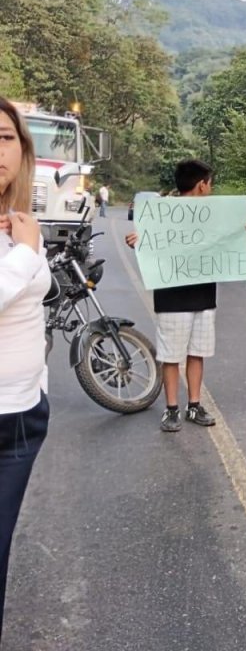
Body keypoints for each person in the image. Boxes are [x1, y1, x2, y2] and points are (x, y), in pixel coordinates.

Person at [0, 97, 50, 642]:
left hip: (21, 419)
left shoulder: (18, 224)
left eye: (5, 137)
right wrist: (26, 252)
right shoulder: (24, 238)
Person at [126, 159, 220, 432]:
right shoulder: (161, 213)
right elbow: (150, 244)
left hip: (204, 294)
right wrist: (137, 242)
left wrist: (243, 232)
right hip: (172, 296)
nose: (211, 190)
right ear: (201, 185)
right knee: (172, 356)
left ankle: (194, 405)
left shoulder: (214, 215)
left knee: (197, 352)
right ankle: (171, 409)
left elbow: (226, 242)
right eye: (210, 184)